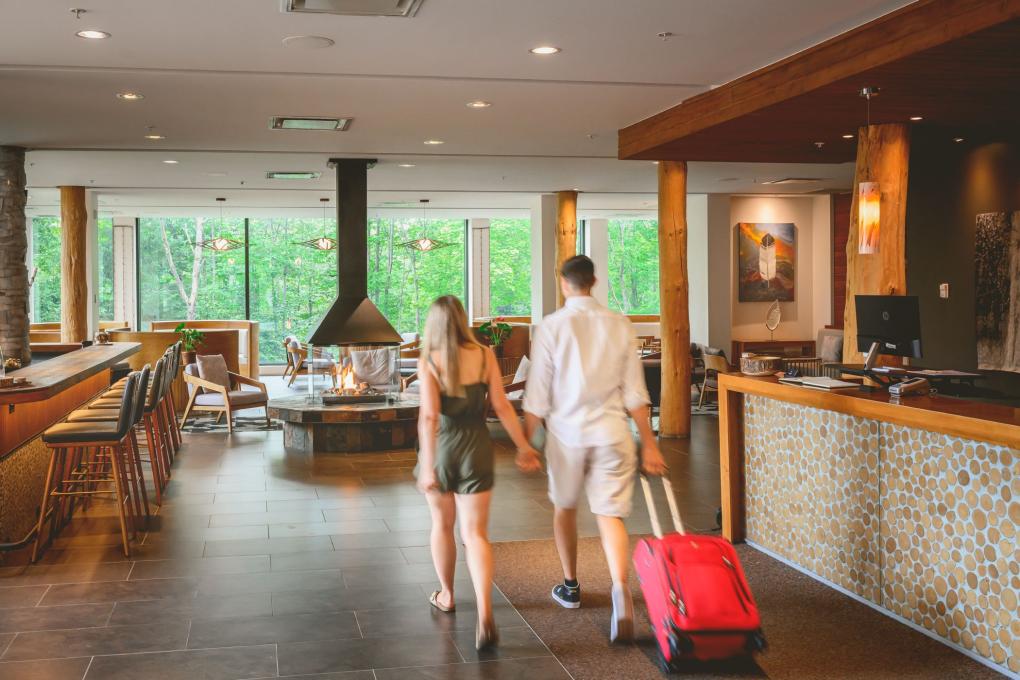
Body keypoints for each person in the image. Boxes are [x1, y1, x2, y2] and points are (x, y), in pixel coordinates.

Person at [519, 254, 667, 643]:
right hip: (613, 434)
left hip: (567, 436)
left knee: (564, 509)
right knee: (610, 515)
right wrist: (649, 445)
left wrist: (526, 443)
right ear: (594, 280)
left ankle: (570, 587)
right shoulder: (620, 325)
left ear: (564, 282)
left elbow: (537, 394)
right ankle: (621, 592)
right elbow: (637, 393)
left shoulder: (552, 326)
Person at [415, 295, 542, 650]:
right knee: (476, 535)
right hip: (476, 449)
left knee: (441, 525)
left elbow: (428, 417)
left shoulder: (431, 360)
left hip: (442, 449)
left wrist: (427, 466)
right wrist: (524, 446)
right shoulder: (485, 354)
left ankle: (448, 596)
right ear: (463, 319)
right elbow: (501, 406)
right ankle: (485, 614)